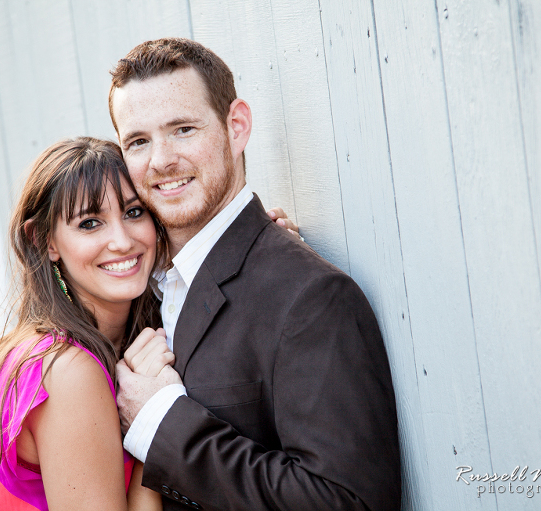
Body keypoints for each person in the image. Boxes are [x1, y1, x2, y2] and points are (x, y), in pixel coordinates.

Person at [110, 38, 401, 511]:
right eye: (138, 141)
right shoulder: (140, 285)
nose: (160, 160)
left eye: (183, 129)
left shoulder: (310, 297)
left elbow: (345, 502)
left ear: (236, 127)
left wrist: (161, 423)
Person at [0, 137, 297, 510]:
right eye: (90, 223)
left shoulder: (65, 347)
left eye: (134, 213)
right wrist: (150, 424)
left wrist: (261, 257)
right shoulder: (69, 370)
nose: (122, 241)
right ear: (44, 240)